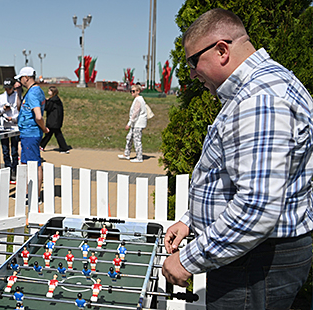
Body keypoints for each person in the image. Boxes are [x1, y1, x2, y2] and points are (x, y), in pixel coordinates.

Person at [162, 8, 313, 310]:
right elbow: (229, 175)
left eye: (193, 61)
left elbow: (257, 208)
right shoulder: (256, 89)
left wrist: (188, 260)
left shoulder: (260, 99)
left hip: (255, 263)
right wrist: (191, 221)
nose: (191, 73)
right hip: (252, 257)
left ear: (221, 50)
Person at [16, 67, 48, 202]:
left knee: (34, 164)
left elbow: (38, 116)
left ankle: (36, 195)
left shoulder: (34, 93)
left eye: (20, 78)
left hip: (31, 132)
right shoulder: (33, 91)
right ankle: (30, 193)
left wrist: (44, 128)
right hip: (27, 132)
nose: (20, 81)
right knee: (26, 162)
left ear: (26, 77)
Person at [0, 78, 20, 183]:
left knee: (14, 150)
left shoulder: (18, 97)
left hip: (14, 126)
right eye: (6, 88)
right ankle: (7, 169)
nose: (7, 90)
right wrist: (3, 109)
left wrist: (13, 118)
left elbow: (20, 111)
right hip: (3, 126)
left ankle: (14, 169)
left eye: (9, 88)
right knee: (5, 150)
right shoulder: (1, 97)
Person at [117, 84, 147, 163]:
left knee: (137, 140)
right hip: (135, 123)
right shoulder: (137, 99)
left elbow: (135, 113)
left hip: (138, 123)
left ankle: (139, 157)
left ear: (138, 91)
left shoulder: (139, 100)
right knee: (129, 137)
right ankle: (127, 154)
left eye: (133, 91)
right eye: (131, 91)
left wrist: (129, 123)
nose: (132, 92)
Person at [39, 86, 70, 153]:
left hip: (53, 121)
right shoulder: (56, 100)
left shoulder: (53, 101)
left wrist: (45, 102)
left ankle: (64, 148)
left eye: (49, 91)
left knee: (53, 134)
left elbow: (47, 107)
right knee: (53, 134)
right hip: (56, 120)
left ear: (53, 92)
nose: (48, 92)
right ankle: (42, 145)